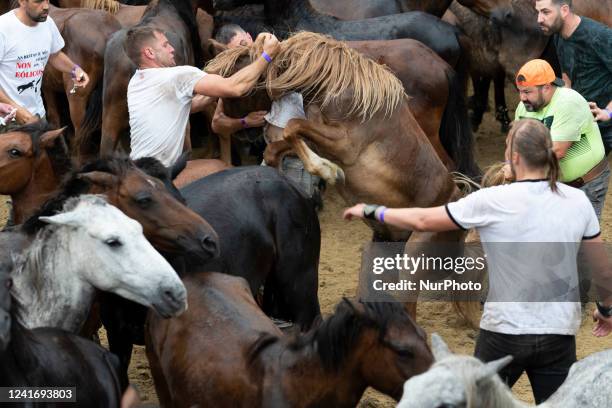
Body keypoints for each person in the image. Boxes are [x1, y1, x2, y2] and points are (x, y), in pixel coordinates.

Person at [344, 118, 604, 403]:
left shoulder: (490, 200)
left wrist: (373, 210)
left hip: (504, 332)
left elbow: (422, 219)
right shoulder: (578, 202)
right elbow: (603, 269)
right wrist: (607, 310)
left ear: (514, 157)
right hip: (558, 333)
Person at [122, 25, 279, 167]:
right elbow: (235, 87)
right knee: (220, 169)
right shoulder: (176, 75)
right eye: (165, 45)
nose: (172, 49)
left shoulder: (137, 82)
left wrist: (215, 91)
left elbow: (188, 106)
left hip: (137, 168)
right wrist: (267, 55)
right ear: (149, 53)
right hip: (159, 172)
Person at [513, 58, 608, 220]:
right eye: (520, 91)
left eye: (527, 92)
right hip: (551, 185)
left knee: (583, 240)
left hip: (585, 185)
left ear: (547, 88)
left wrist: (517, 166)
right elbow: (515, 144)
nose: (522, 97)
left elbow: (557, 150)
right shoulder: (524, 107)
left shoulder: (568, 102)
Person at [535, 0, 612, 155]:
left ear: (564, 10)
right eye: (538, 12)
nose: (539, 19)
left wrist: (608, 112)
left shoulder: (600, 36)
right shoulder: (558, 36)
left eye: (545, 12)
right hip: (586, 124)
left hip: (607, 124)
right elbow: (567, 75)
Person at [0, 0, 89, 128]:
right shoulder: (3, 28)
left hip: (38, 115)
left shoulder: (47, 23)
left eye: (47, 0)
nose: (46, 6)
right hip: (6, 120)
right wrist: (17, 111)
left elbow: (55, 55)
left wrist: (75, 69)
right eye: (38, 2)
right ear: (22, 2)